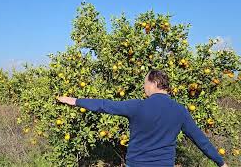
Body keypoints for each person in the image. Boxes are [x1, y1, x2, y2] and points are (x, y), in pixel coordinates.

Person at [58, 69, 228, 167]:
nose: (143, 87)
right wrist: (221, 163)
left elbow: (105, 105)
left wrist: (75, 101)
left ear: (154, 83)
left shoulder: (137, 106)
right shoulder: (180, 111)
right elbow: (201, 141)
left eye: (145, 83)